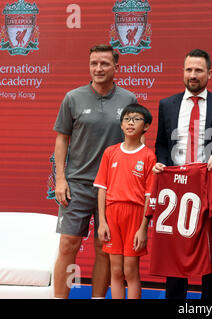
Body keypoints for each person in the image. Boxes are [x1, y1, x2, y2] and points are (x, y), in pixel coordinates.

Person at [52, 44, 137, 298]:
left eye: (104, 64)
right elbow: (61, 140)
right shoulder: (73, 98)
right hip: (76, 184)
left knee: (104, 248)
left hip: (112, 187)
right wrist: (60, 178)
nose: (98, 69)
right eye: (94, 64)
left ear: (116, 67)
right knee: (68, 245)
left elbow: (133, 142)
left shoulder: (129, 100)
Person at [152, 48, 212, 299]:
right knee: (176, 256)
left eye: (198, 70)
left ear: (210, 72)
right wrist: (162, 164)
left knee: (211, 253)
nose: (193, 74)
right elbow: (161, 144)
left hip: (208, 187)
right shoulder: (167, 104)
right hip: (176, 190)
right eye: (188, 69)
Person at [94, 104, 155, 299]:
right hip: (112, 215)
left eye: (136, 119)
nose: (130, 123)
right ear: (121, 125)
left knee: (130, 271)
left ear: (145, 126)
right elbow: (102, 189)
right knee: (116, 271)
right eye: (127, 119)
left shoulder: (148, 156)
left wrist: (143, 228)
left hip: (135, 216)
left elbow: (149, 196)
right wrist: (102, 222)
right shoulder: (110, 152)